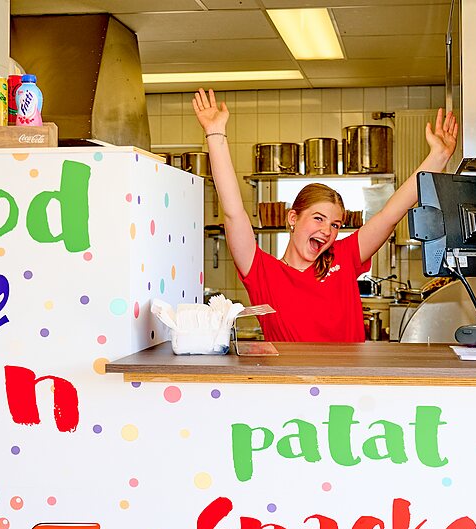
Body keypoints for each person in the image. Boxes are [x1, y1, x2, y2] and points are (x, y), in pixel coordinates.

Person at [191, 88, 460, 342]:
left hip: (348, 386)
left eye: (335, 224)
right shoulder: (263, 273)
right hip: (294, 388)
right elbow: (234, 212)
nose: (328, 231)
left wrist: (437, 158)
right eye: (318, 218)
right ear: (293, 218)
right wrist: (215, 134)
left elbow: (390, 214)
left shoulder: (342, 258)